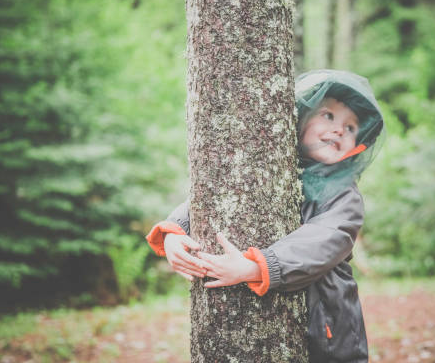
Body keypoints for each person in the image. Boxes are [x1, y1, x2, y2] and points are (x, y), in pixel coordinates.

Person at [146, 69, 385, 363]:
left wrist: (256, 268)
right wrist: (174, 232)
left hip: (328, 332)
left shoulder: (344, 193)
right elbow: (219, 194)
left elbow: (326, 240)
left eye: (351, 128)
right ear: (302, 116)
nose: (339, 130)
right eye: (328, 115)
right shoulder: (270, 162)